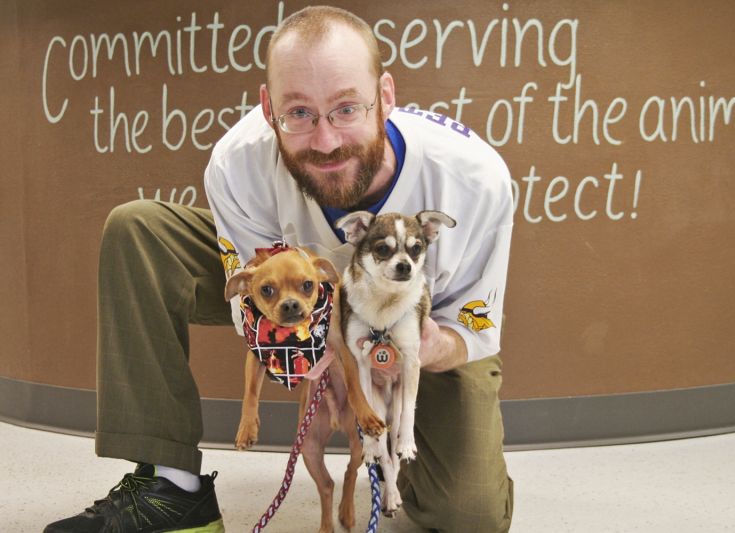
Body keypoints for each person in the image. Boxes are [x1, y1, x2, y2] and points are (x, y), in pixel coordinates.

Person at [45, 5, 514, 533]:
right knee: (139, 230)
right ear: (268, 108)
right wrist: (315, 349)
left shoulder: (475, 181)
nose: (325, 140)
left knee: (469, 515)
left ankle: (397, 462)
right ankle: (171, 487)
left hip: (412, 328)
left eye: (345, 109)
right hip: (296, 291)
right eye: (299, 113)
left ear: (385, 96)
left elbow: (473, 325)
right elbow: (253, 298)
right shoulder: (237, 161)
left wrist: (419, 347)